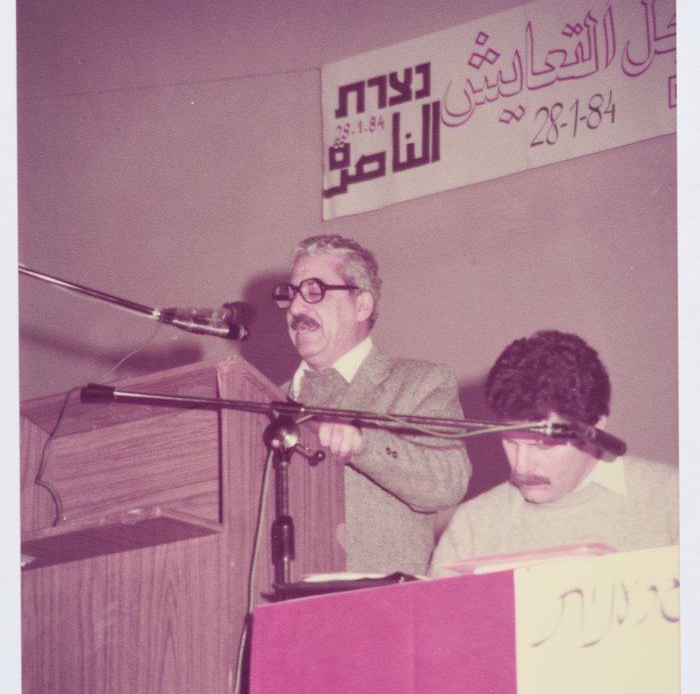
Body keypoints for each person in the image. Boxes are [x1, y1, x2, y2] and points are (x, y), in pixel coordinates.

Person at [273, 234, 471, 576]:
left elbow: (448, 482)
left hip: (382, 605)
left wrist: (364, 446)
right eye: (291, 294)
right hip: (284, 605)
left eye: (314, 291)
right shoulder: (265, 402)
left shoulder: (419, 382)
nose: (296, 308)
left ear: (362, 306)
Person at [429, 330, 678, 575]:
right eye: (510, 441)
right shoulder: (474, 524)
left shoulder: (672, 499)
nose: (521, 466)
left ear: (596, 427)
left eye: (543, 445)